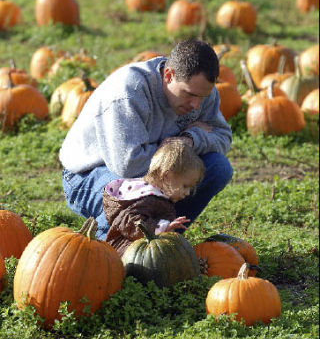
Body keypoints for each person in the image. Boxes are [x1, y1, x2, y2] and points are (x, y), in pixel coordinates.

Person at [60, 38, 233, 240]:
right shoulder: (129, 91)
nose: (196, 105)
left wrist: (189, 139)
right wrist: (175, 146)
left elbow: (222, 138)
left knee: (218, 167)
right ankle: (106, 245)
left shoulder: (202, 93)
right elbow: (130, 165)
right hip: (90, 174)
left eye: (202, 97)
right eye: (189, 94)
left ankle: (162, 239)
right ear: (168, 75)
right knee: (136, 191)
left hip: (152, 170)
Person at [102, 138, 205, 256]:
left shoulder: (158, 197)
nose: (187, 193)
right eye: (185, 186)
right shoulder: (147, 199)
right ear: (166, 176)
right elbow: (130, 222)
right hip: (126, 251)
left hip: (143, 248)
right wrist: (161, 227)